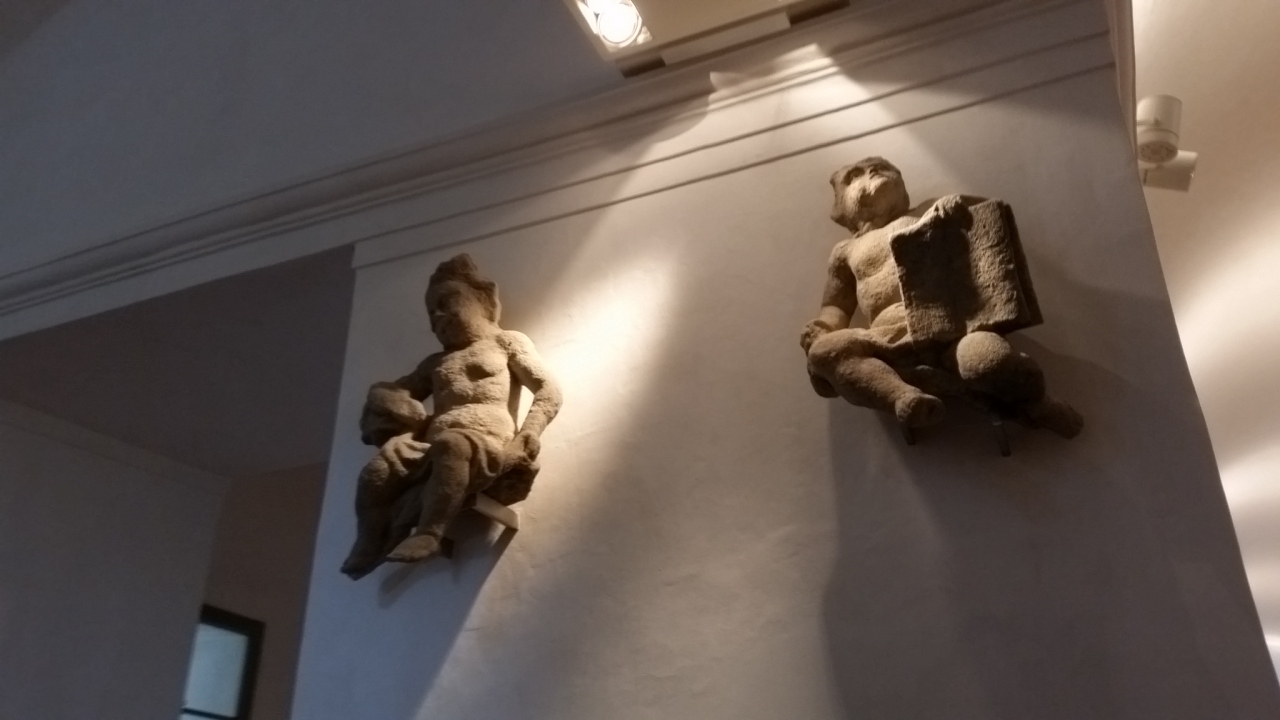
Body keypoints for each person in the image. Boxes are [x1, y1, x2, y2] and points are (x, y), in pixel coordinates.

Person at [801, 156, 1081, 437]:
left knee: (989, 361)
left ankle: (1039, 405)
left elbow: (988, 216)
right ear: (842, 206)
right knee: (826, 351)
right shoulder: (846, 251)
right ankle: (903, 398)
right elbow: (836, 305)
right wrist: (823, 327)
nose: (871, 171)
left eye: (880, 167)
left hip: (953, 329)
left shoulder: (928, 210)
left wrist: (957, 208)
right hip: (886, 338)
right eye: (854, 175)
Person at [341, 253, 562, 578]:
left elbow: (548, 390)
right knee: (375, 473)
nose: (438, 316)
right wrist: (393, 410)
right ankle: (369, 540)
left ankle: (430, 532)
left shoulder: (506, 343)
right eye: (431, 312)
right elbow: (394, 390)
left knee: (451, 445)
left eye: (446, 302)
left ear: (480, 300)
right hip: (431, 445)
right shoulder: (436, 363)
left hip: (485, 442)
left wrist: (529, 432)